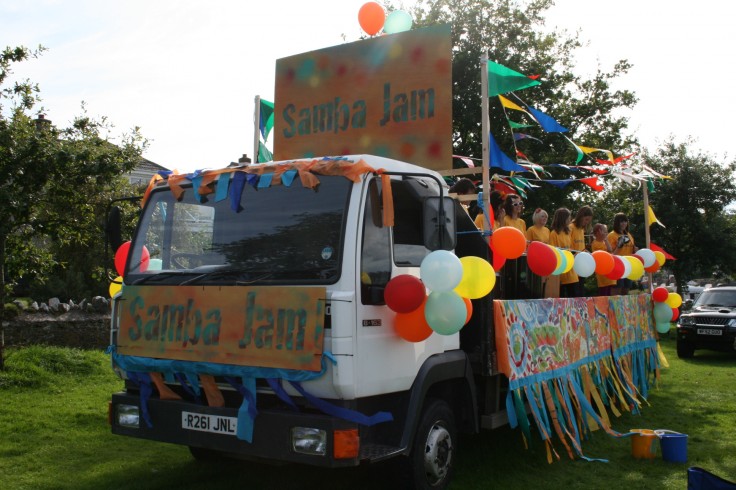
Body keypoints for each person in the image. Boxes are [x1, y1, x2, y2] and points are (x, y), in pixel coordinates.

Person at [548, 207, 579, 298]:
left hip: (571, 268)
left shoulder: (568, 232)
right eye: (568, 217)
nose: (570, 219)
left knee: (574, 296)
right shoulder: (554, 234)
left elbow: (570, 248)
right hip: (561, 270)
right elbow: (553, 252)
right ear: (563, 218)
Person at [607, 212, 638, 295]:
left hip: (628, 265)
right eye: (621, 221)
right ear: (617, 223)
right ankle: (613, 307)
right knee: (617, 288)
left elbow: (631, 251)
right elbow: (610, 254)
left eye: (625, 221)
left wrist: (635, 250)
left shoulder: (629, 235)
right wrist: (619, 246)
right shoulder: (612, 235)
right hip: (617, 265)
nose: (624, 223)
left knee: (626, 287)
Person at [570, 206, 593, 296]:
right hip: (573, 264)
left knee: (581, 293)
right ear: (581, 216)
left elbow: (580, 245)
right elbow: (569, 246)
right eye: (586, 219)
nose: (586, 222)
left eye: (589, 221)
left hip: (581, 265)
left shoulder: (581, 229)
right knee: (574, 293)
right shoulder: (571, 227)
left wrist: (585, 251)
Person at [590, 223, 616, 296]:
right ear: (598, 232)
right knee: (604, 291)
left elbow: (610, 249)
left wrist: (606, 240)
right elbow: (609, 251)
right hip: (602, 271)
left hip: (608, 269)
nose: (606, 233)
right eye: (604, 232)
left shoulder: (604, 242)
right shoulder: (595, 243)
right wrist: (605, 239)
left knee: (609, 291)